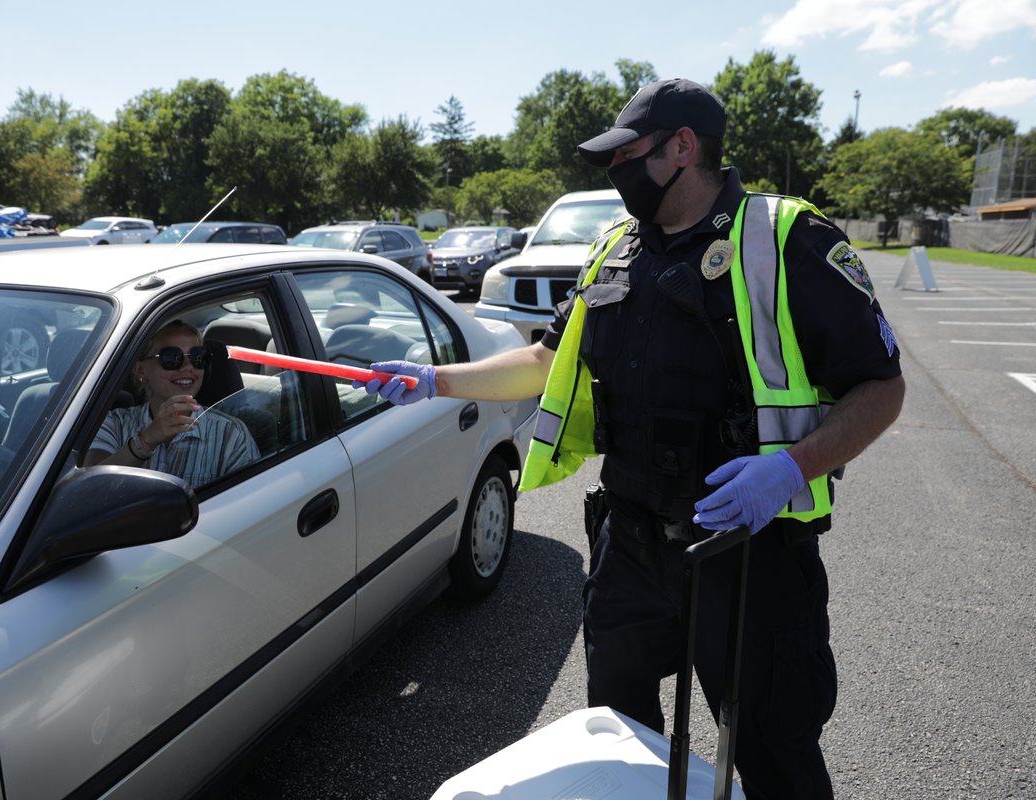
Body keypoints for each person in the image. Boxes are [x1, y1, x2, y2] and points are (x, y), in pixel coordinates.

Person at [358, 78, 905, 799]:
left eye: (629, 155)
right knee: (618, 744)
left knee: (776, 756)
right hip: (631, 544)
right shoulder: (616, 248)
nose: (615, 172)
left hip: (748, 552)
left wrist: (791, 470)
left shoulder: (786, 238)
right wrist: (438, 381)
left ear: (684, 147)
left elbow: (881, 386)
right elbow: (548, 363)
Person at [85, 320, 260, 486]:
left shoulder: (231, 434)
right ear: (140, 370)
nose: (187, 367)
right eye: (171, 357)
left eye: (198, 357)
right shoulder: (114, 424)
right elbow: (88, 488)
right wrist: (147, 440)